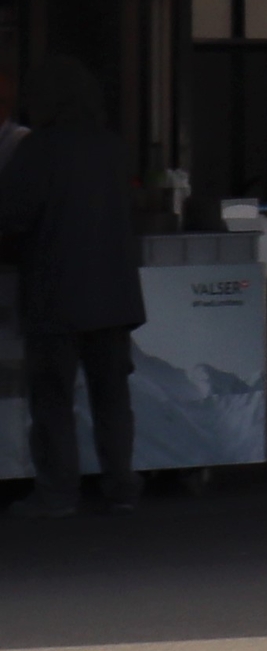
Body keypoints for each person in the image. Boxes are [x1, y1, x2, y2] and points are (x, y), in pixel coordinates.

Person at [0, 55, 147, 517]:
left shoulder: (38, 149)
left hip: (56, 293)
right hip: (114, 293)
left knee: (52, 399)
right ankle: (121, 486)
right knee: (112, 397)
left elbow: (12, 218)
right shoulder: (112, 147)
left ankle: (58, 492)